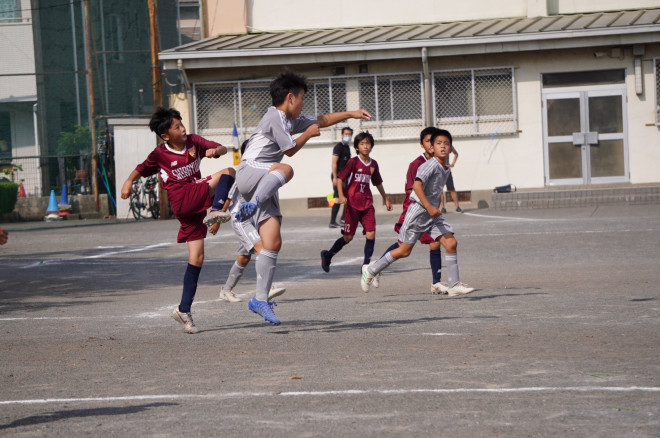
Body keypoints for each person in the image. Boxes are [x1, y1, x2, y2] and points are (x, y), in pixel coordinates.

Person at [233, 70, 371, 325]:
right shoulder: (275, 115)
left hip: (265, 180)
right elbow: (290, 150)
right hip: (251, 171)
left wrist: (351, 113)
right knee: (287, 168)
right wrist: (307, 135)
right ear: (290, 98)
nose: (304, 104)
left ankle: (260, 300)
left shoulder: (288, 119)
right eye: (302, 99)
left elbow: (322, 119)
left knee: (273, 242)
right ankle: (251, 206)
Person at [120, 107, 235, 334]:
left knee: (197, 257)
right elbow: (140, 169)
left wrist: (215, 151)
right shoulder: (159, 154)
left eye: (182, 124)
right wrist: (127, 182)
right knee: (229, 172)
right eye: (177, 127)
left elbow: (221, 147)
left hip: (192, 205)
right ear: (165, 135)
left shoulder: (193, 142)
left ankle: (184, 311)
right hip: (182, 198)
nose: (183, 129)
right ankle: (215, 212)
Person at [360, 128, 475, 297]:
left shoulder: (445, 167)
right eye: (438, 143)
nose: (443, 146)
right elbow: (416, 186)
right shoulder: (428, 166)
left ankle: (454, 284)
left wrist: (435, 206)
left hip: (433, 215)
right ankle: (371, 270)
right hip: (418, 213)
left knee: (451, 243)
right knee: (404, 251)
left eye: (446, 144)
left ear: (451, 148)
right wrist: (429, 206)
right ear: (431, 148)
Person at [382, 127, 448, 294]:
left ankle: (436, 282)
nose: (434, 145)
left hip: (430, 210)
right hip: (415, 209)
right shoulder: (417, 164)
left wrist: (437, 203)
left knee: (435, 242)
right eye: (429, 141)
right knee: (403, 247)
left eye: (441, 142)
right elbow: (413, 190)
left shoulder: (440, 163)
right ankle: (377, 267)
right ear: (423, 144)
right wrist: (428, 206)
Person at [218, 141, 286, 303]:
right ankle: (267, 288)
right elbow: (228, 196)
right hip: (242, 220)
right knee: (262, 249)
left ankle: (226, 290)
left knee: (244, 257)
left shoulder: (268, 169)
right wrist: (217, 217)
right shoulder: (244, 173)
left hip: (256, 219)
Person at [320, 131, 392, 276]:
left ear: (372, 146)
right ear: (357, 147)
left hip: (367, 204)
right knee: (348, 237)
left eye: (368, 143)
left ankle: (366, 266)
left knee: (371, 233)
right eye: (362, 144)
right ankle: (327, 255)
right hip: (352, 205)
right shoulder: (353, 162)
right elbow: (340, 179)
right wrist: (340, 196)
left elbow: (377, 182)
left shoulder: (373, 164)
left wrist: (386, 198)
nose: (365, 146)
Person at [329, 127, 353, 228]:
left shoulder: (347, 147)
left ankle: (343, 218)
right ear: (342, 135)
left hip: (345, 177)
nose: (348, 136)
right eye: (346, 134)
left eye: (349, 134)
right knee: (338, 198)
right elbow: (334, 163)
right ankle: (332, 222)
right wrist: (335, 177)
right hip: (338, 177)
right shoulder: (338, 147)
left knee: (347, 197)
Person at [439, 143, 462, 213]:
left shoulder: (449, 146)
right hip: (439, 171)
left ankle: (457, 206)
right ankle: (443, 207)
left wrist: (452, 164)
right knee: (440, 190)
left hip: (447, 171)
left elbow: (456, 154)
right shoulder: (436, 146)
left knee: (451, 188)